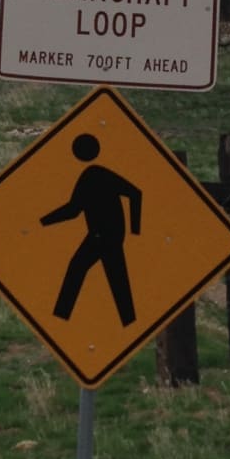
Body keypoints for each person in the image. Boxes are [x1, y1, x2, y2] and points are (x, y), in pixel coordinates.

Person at [41, 133, 142, 326]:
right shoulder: (91, 174)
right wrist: (44, 221)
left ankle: (61, 317)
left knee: (81, 269)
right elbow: (74, 210)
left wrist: (135, 231)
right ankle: (128, 322)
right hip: (104, 235)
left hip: (104, 236)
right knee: (113, 279)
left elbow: (136, 194)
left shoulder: (94, 174)